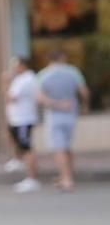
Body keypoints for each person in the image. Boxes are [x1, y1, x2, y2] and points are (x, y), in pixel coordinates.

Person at [37, 49, 90, 192]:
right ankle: (67, 175)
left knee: (59, 148)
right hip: (71, 113)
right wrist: (84, 106)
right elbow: (84, 91)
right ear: (63, 57)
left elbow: (40, 98)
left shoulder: (44, 75)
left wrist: (56, 104)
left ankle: (67, 179)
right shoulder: (73, 72)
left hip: (54, 115)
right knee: (66, 146)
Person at [1, 57, 42, 194]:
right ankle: (18, 160)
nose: (13, 68)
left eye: (15, 64)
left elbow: (11, 97)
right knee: (16, 142)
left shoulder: (27, 79)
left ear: (23, 65)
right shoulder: (20, 79)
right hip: (17, 118)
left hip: (24, 119)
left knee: (27, 148)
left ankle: (32, 179)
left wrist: (5, 83)